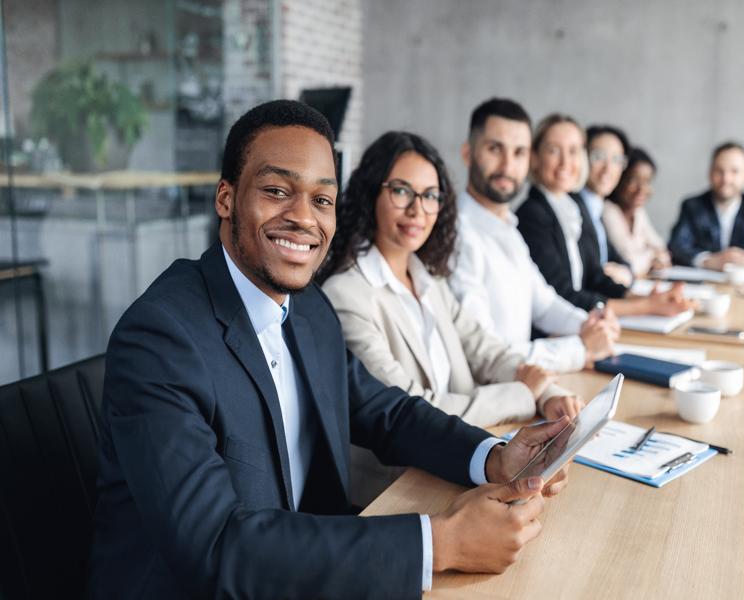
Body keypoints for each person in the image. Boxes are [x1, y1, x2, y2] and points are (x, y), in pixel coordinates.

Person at [87, 100, 574, 600]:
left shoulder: (309, 309)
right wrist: (439, 544)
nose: (303, 218)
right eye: (277, 191)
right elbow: (215, 547)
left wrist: (493, 456)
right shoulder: (160, 338)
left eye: (322, 200)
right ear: (226, 199)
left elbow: (385, 412)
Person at [320, 131, 581, 504]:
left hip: (455, 466)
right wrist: (525, 393)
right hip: (396, 490)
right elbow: (412, 409)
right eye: (401, 191)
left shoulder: (429, 280)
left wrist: (549, 392)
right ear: (370, 195)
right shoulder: (347, 295)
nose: (417, 210)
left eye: (429, 195)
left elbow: (484, 349)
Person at [448, 98, 619, 372]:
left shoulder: (508, 226)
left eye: (519, 153)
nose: (507, 165)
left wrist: (589, 325)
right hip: (494, 398)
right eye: (495, 149)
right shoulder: (457, 233)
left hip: (526, 387)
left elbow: (544, 302)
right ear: (468, 154)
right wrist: (581, 347)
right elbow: (486, 355)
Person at [516, 113, 692, 316]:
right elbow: (561, 294)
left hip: (584, 323)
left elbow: (594, 276)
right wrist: (643, 307)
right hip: (558, 333)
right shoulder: (532, 214)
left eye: (573, 151)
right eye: (553, 150)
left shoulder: (573, 207)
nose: (565, 161)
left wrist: (643, 299)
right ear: (535, 158)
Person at [668, 141, 744, 271]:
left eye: (734, 171)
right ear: (710, 173)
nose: (726, 179)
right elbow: (676, 247)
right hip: (702, 287)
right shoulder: (692, 206)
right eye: (719, 171)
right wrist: (708, 261)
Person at [603, 147, 671, 277]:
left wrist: (650, 257)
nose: (641, 189)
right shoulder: (607, 211)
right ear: (619, 178)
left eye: (647, 181)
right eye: (633, 180)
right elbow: (628, 261)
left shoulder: (639, 212)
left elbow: (662, 250)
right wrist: (651, 257)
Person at [579, 124, 634, 286]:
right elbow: (593, 275)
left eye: (617, 160)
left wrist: (626, 273)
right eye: (598, 157)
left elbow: (621, 262)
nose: (608, 169)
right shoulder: (572, 208)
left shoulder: (596, 208)